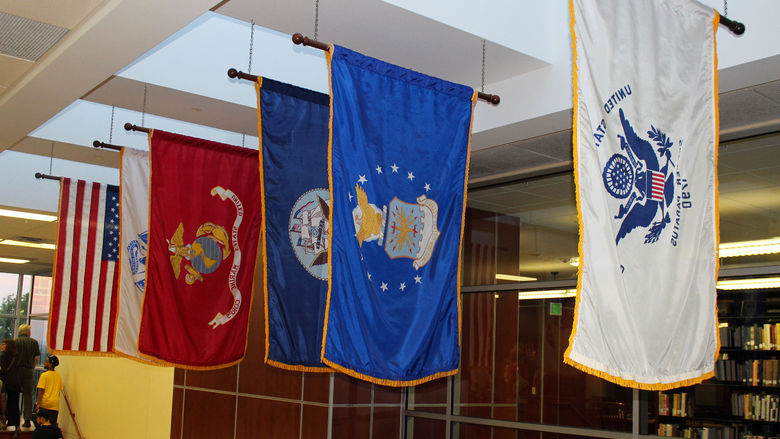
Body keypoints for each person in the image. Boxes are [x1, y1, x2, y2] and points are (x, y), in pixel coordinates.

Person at [15, 324, 40, 427]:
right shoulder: (34, 342)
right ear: (28, 332)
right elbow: (36, 358)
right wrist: (32, 367)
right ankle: (27, 420)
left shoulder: (15, 342)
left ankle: (13, 418)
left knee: (14, 394)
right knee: (28, 395)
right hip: (29, 370)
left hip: (17, 370)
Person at [34, 356, 62, 425]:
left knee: (41, 425)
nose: (44, 363)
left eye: (46, 362)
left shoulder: (44, 375)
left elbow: (41, 391)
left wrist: (38, 404)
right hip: (55, 405)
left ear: (51, 364)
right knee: (51, 426)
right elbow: (59, 390)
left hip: (45, 404)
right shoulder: (58, 376)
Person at [0, 339, 21, 430]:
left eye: (3, 344)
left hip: (7, 382)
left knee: (3, 403)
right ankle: (17, 426)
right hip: (16, 383)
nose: (1, 346)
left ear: (8, 346)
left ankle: (3, 422)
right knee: (14, 405)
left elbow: (3, 371)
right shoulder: (16, 356)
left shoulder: (3, 356)